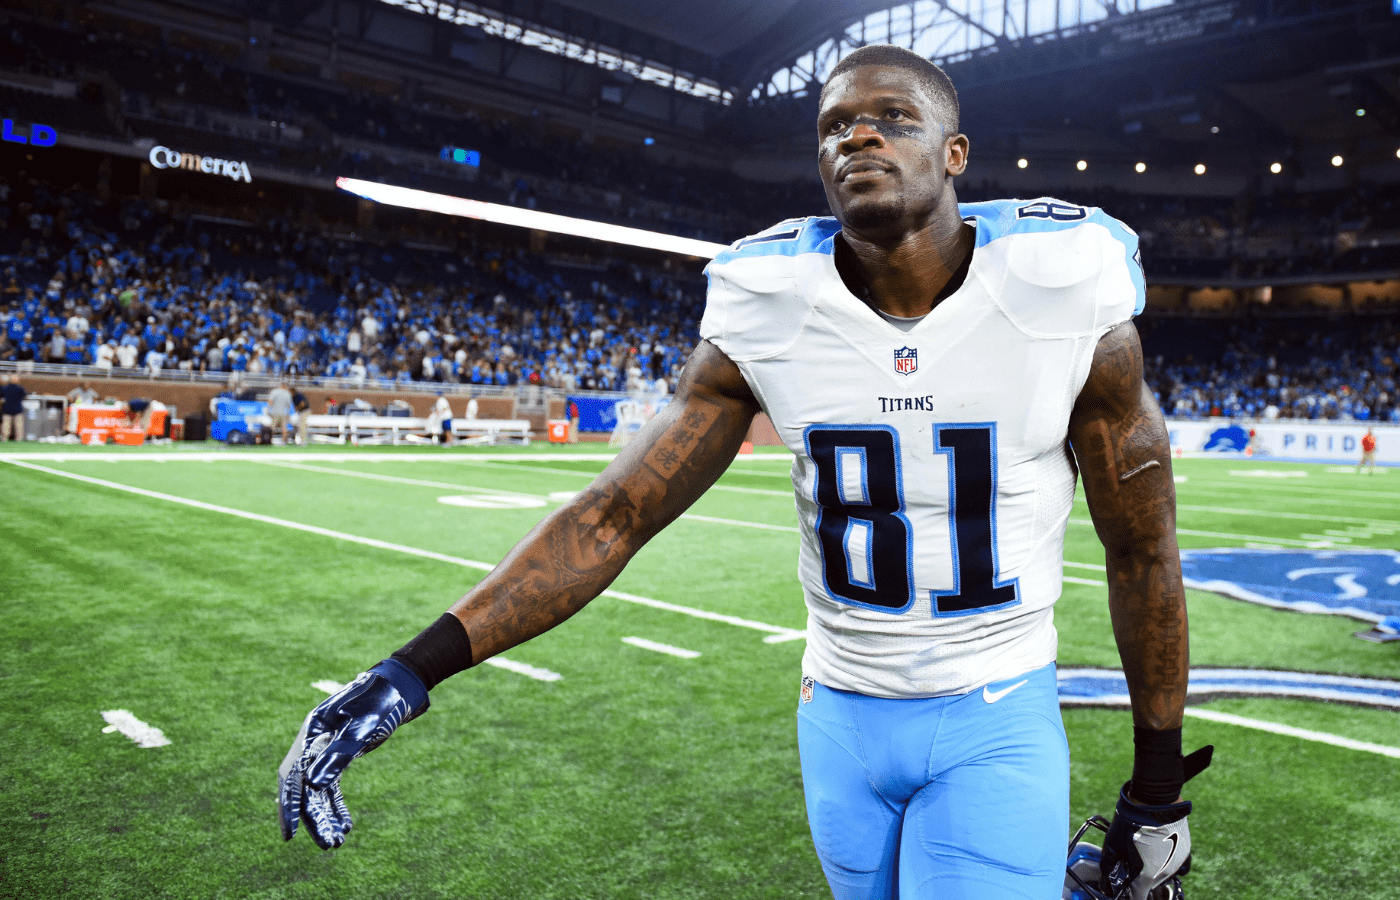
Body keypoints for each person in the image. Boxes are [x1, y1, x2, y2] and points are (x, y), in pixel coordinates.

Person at [278, 45, 1204, 900]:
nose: (860, 135)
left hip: (995, 712)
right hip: (836, 717)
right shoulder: (769, 302)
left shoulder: (1059, 284)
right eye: (836, 125)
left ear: (956, 153)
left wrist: (1157, 787)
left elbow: (1141, 551)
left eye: (893, 117)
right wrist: (408, 672)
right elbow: (616, 513)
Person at [1, 374, 25, 441]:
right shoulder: (20, 388)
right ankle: (19, 439)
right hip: (17, 409)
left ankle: (4, 438)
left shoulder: (5, 388)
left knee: (6, 425)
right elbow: (25, 396)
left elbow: (1, 397)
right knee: (19, 425)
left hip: (7, 408)